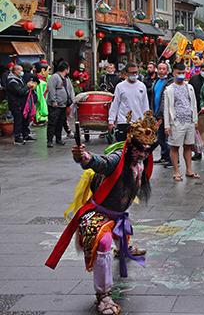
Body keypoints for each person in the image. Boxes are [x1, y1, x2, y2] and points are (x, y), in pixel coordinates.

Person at [45, 111, 158, 315]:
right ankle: (103, 296)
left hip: (117, 212)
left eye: (148, 151)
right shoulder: (118, 158)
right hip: (98, 213)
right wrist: (84, 157)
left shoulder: (141, 162)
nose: (143, 155)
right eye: (140, 150)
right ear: (132, 145)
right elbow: (100, 163)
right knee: (103, 243)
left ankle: (124, 246)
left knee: (122, 221)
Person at [164, 62, 199, 181]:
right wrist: (167, 125)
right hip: (176, 122)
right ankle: (176, 171)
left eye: (183, 73)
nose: (181, 75)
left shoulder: (189, 87)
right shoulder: (169, 89)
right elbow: (166, 108)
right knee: (174, 147)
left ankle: (189, 170)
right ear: (173, 73)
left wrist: (195, 120)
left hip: (189, 121)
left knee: (188, 146)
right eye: (179, 73)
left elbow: (193, 104)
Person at [108, 63, 149, 142]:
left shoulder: (142, 86)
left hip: (139, 122)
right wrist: (111, 120)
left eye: (136, 72)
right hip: (123, 121)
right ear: (126, 73)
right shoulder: (120, 86)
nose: (134, 74)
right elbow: (115, 104)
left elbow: (145, 105)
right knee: (123, 148)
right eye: (132, 73)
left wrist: (146, 121)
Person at [6, 64, 38, 144]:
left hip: (23, 103)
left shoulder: (19, 79)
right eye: (20, 70)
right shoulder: (12, 81)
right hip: (16, 104)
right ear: (15, 71)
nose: (22, 72)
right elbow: (20, 92)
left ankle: (25, 135)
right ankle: (17, 137)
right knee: (18, 120)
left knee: (25, 119)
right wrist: (27, 86)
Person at [47, 61, 75, 147]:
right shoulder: (55, 77)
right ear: (66, 69)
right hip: (56, 105)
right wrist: (53, 101)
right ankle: (50, 140)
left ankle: (58, 139)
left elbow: (71, 90)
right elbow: (51, 89)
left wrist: (72, 100)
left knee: (60, 122)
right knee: (52, 122)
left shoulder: (67, 79)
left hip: (64, 105)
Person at [151, 62, 173, 167]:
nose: (161, 71)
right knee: (160, 136)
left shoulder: (170, 82)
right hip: (156, 113)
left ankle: (171, 159)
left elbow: (165, 100)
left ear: (167, 71)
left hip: (165, 114)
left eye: (163, 69)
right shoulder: (156, 81)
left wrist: (161, 114)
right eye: (159, 69)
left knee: (164, 137)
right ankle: (164, 156)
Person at [189, 63, 204, 161]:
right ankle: (197, 152)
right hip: (195, 107)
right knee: (196, 131)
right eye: (203, 70)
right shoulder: (194, 79)